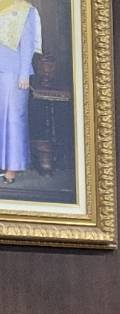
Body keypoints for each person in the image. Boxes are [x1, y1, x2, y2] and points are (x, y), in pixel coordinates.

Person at [0, 0, 40, 185]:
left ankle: (12, 168)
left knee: (14, 119)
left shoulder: (25, 10)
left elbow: (28, 43)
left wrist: (24, 73)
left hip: (14, 72)